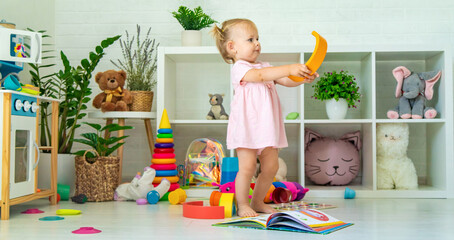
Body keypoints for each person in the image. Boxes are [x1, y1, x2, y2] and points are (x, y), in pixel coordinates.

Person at [211, 18, 319, 217]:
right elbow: (261, 76)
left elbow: (286, 80)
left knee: (272, 166)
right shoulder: (240, 69)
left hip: (267, 127)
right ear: (232, 47)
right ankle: (243, 204)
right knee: (247, 167)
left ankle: (257, 201)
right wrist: (289, 67)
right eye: (250, 39)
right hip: (247, 128)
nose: (257, 43)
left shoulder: (266, 66)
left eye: (258, 38)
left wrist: (302, 77)